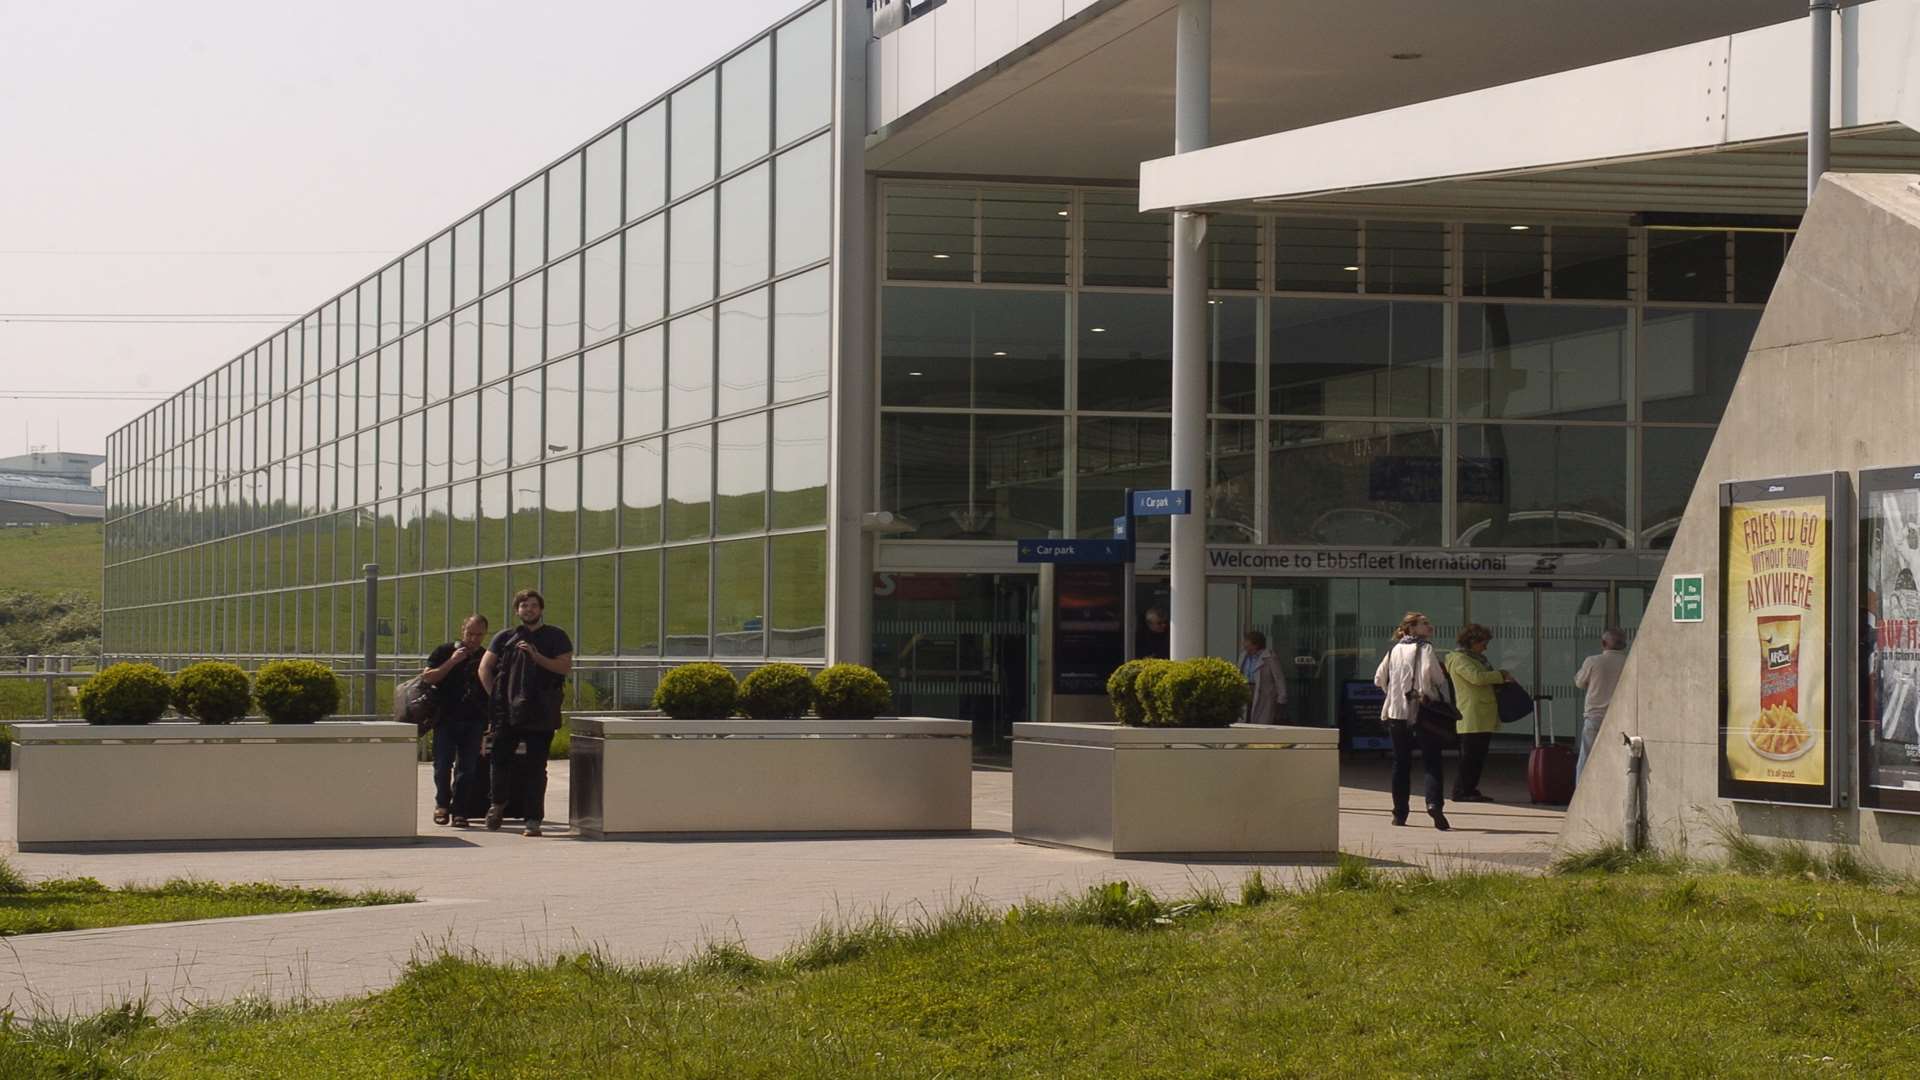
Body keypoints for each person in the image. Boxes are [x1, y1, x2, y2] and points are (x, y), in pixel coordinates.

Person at [478, 588, 573, 837]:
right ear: (516, 610)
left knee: (536, 767)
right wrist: (496, 697)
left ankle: (533, 819)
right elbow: (484, 668)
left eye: (532, 605)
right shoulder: (505, 637)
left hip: (541, 711)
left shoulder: (556, 636)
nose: (528, 609)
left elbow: (564, 667)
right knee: (500, 760)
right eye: (523, 605)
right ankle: (497, 805)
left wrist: (536, 656)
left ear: (541, 609)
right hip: (507, 712)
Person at [1373, 611, 1452, 830]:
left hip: (1396, 714)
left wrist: (1393, 692)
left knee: (1400, 763)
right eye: (1424, 624)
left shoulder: (1394, 650)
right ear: (1412, 628)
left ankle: (1400, 814)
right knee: (1432, 761)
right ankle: (1433, 804)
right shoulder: (1426, 649)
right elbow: (1437, 678)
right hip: (1422, 713)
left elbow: (1379, 678)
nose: (1430, 627)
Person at [420, 614, 490, 827]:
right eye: (470, 633)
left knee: (467, 768)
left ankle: (460, 810)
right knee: (442, 765)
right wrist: (452, 661)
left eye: (479, 635)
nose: (473, 639)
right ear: (462, 630)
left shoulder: (487, 656)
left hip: (475, 719)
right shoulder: (445, 651)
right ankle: (442, 804)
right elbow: (428, 677)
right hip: (446, 718)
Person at [1444, 623, 1510, 804]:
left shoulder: (1476, 658)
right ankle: (1461, 790)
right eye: (1483, 643)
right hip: (1471, 714)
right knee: (1469, 757)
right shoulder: (1460, 659)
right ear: (1472, 641)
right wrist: (1500, 675)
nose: (1485, 647)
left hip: (1482, 713)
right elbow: (1477, 678)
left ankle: (1470, 788)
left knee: (1477, 756)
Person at [1573, 628, 1629, 780]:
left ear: (1603, 643)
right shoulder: (1629, 662)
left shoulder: (1593, 661)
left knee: (1586, 758)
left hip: (1594, 717)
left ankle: (1581, 794)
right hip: (1620, 718)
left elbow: (1579, 682)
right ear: (1624, 645)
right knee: (1616, 758)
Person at [1239, 630, 1289, 725]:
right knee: (1245, 718)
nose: (1245, 645)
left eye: (1247, 643)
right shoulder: (1244, 655)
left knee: (1260, 721)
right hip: (1246, 689)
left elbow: (1279, 678)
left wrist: (1281, 699)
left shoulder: (1270, 657)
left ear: (1255, 645)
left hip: (1263, 694)